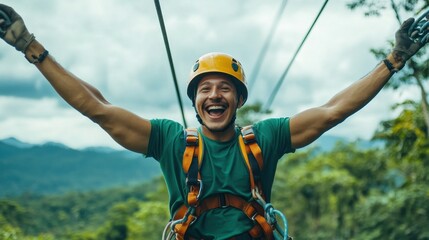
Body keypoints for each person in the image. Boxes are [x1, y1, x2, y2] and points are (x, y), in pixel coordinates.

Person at [0, 3, 427, 240]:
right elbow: (98, 108)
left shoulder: (266, 137)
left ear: (239, 100)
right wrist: (31, 48)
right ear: (195, 102)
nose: (214, 95)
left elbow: (334, 111)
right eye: (204, 89)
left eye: (224, 88)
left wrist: (393, 61)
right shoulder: (170, 140)